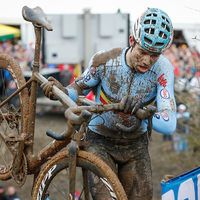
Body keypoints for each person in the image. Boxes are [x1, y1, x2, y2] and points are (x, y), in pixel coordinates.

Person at [41, 8, 176, 200]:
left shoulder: (163, 69)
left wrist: (143, 113)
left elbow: (169, 123)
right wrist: (61, 91)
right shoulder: (104, 60)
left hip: (135, 145)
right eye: (143, 52)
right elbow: (79, 87)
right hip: (100, 140)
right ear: (132, 41)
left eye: (154, 55)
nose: (147, 60)